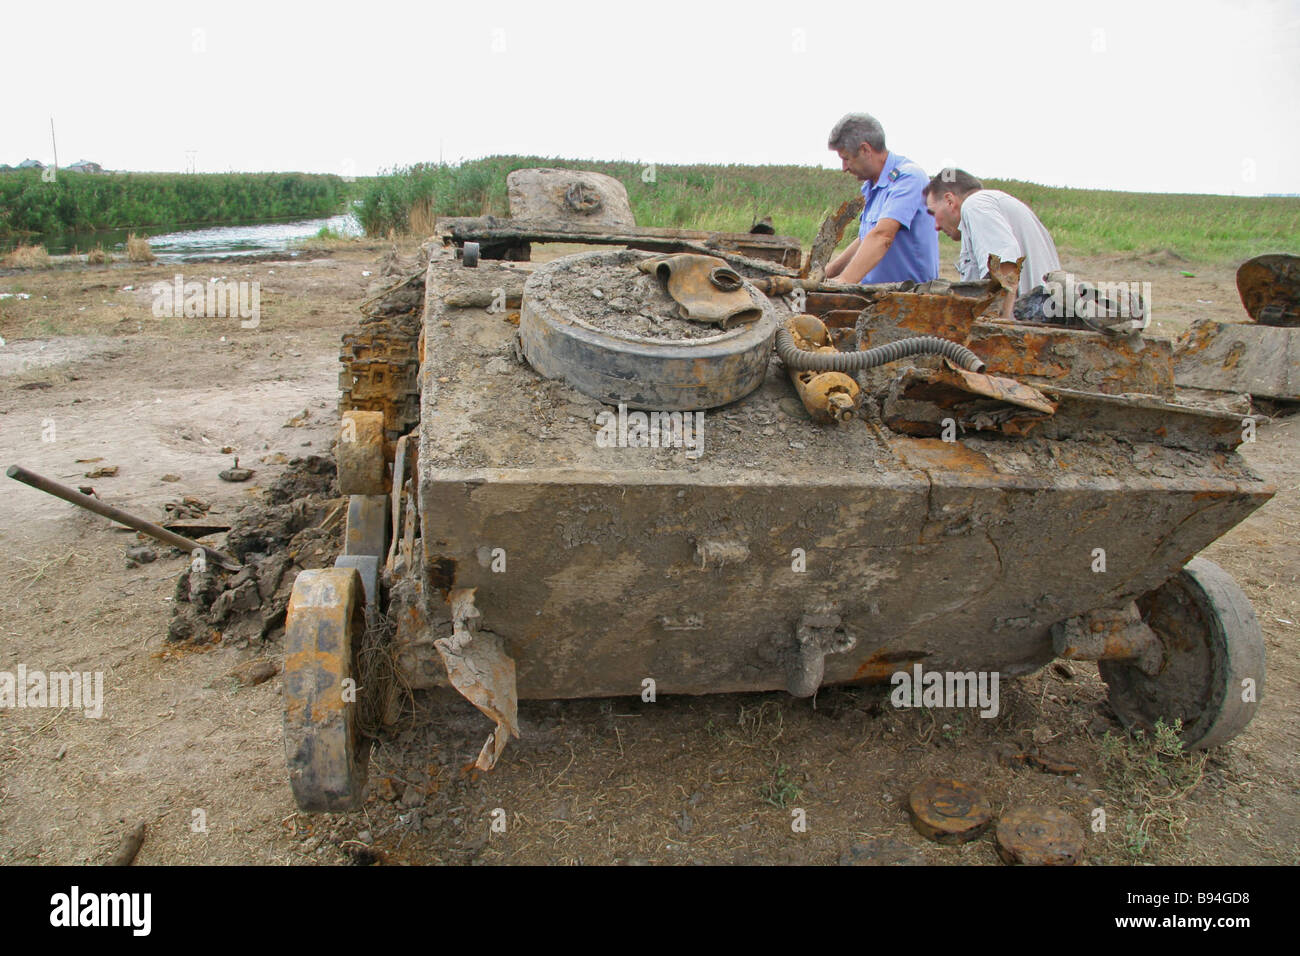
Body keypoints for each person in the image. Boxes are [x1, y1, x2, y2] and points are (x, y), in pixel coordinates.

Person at [824, 113, 939, 286]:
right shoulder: (872, 186)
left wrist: (845, 281)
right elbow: (866, 238)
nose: (844, 168)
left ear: (865, 150)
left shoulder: (907, 178)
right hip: (876, 296)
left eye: (846, 158)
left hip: (908, 298)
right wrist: (830, 271)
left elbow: (883, 235)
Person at [922, 169, 1061, 302]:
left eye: (933, 213)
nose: (936, 226)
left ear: (950, 201)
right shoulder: (1000, 206)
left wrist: (1003, 321)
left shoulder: (975, 205)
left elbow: (1003, 263)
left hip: (1027, 319)